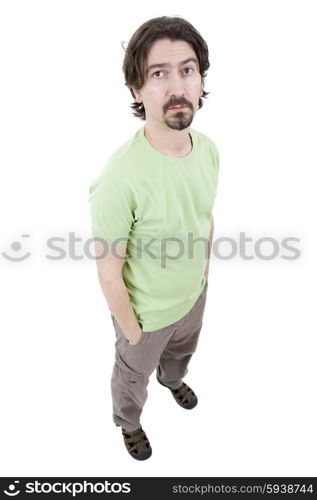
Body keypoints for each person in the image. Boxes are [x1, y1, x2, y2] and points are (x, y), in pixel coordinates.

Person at [88, 15, 220, 461]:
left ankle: (172, 378)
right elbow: (108, 272)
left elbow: (205, 215)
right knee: (131, 378)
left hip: (192, 298)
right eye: (158, 74)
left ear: (201, 79)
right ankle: (128, 423)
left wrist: (201, 274)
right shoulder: (119, 178)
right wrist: (132, 331)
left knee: (182, 353)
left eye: (187, 69)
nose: (177, 86)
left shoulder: (208, 149)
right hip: (144, 319)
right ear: (136, 90)